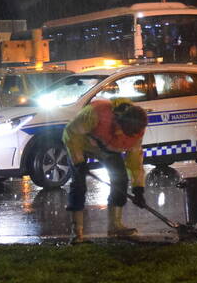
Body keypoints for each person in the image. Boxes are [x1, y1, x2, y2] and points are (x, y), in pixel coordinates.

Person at [62, 98, 148, 243]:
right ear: (119, 121)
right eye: (125, 132)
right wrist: (78, 162)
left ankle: (115, 226)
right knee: (79, 184)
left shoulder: (137, 128)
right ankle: (77, 232)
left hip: (107, 149)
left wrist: (138, 188)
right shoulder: (97, 112)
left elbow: (134, 160)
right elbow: (71, 134)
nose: (127, 136)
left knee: (120, 179)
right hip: (80, 144)